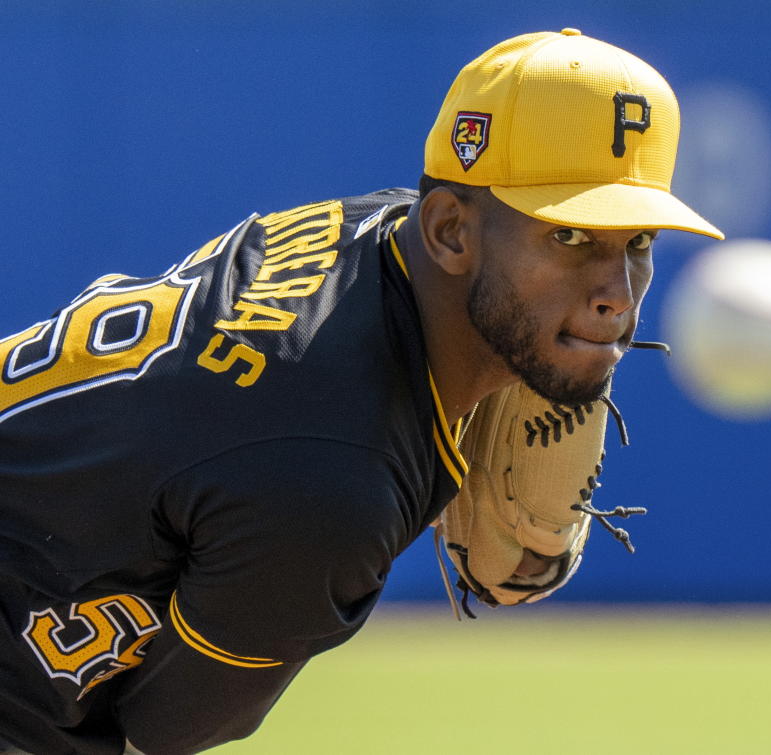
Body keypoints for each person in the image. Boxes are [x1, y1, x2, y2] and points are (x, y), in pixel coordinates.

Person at [0, 29, 721, 754]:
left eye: (637, 243)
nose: (616, 294)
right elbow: (164, 728)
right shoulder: (329, 482)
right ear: (449, 231)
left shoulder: (379, 233)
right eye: (569, 237)